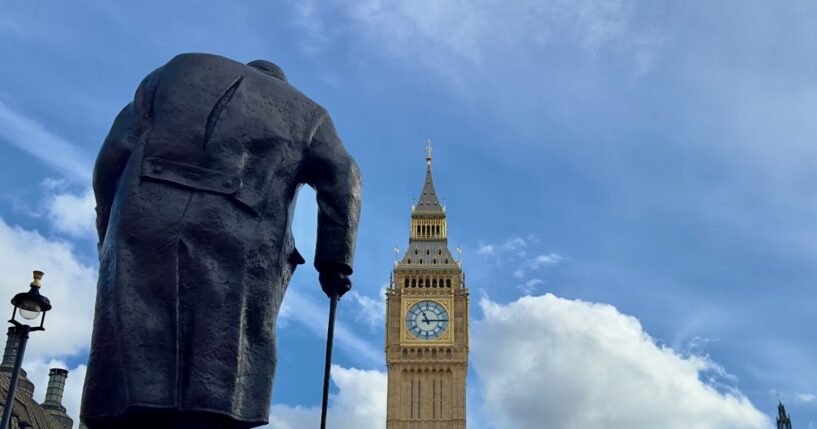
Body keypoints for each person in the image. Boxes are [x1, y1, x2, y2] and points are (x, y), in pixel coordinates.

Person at [80, 53, 361, 429]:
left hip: (143, 219)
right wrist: (335, 262)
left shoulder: (175, 70)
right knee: (221, 366)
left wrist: (107, 223)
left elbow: (113, 152)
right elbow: (344, 176)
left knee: (133, 351)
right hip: (237, 234)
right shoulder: (309, 113)